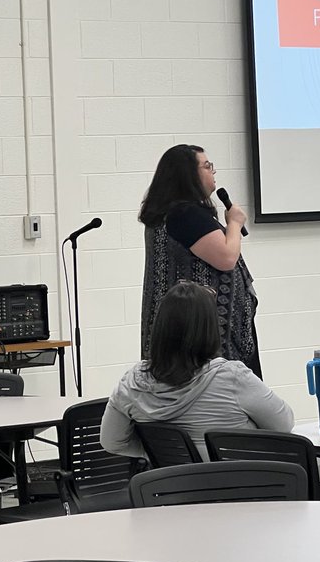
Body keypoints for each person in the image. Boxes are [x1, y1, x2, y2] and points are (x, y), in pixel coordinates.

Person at [101, 281, 293, 458]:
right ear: (209, 329)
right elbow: (284, 424)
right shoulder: (232, 377)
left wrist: (157, 454)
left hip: (173, 490)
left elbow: (111, 442)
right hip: (239, 488)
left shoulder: (133, 382)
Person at [139, 144, 261, 376]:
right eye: (207, 166)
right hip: (201, 340)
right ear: (188, 175)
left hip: (185, 334)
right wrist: (234, 223)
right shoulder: (185, 214)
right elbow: (226, 258)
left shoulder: (171, 212)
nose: (213, 171)